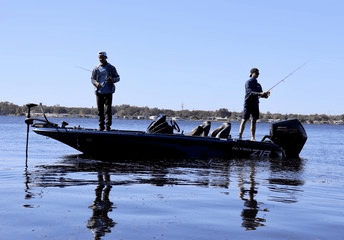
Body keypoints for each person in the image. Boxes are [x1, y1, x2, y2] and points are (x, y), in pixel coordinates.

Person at [91, 51, 120, 131]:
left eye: (102, 57)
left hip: (108, 91)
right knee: (100, 110)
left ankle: (107, 126)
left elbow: (118, 78)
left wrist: (112, 80)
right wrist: (96, 84)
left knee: (108, 110)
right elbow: (92, 79)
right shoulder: (96, 68)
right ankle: (101, 126)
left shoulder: (111, 68)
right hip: (99, 92)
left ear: (105, 58)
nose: (100, 59)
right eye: (99, 58)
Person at [238, 68, 270, 141]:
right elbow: (250, 92)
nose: (258, 74)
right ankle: (240, 136)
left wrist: (266, 95)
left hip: (255, 104)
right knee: (244, 120)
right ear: (252, 73)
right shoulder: (248, 82)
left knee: (254, 121)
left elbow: (261, 95)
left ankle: (253, 137)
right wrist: (260, 93)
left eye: (258, 73)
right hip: (248, 103)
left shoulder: (258, 85)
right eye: (256, 73)